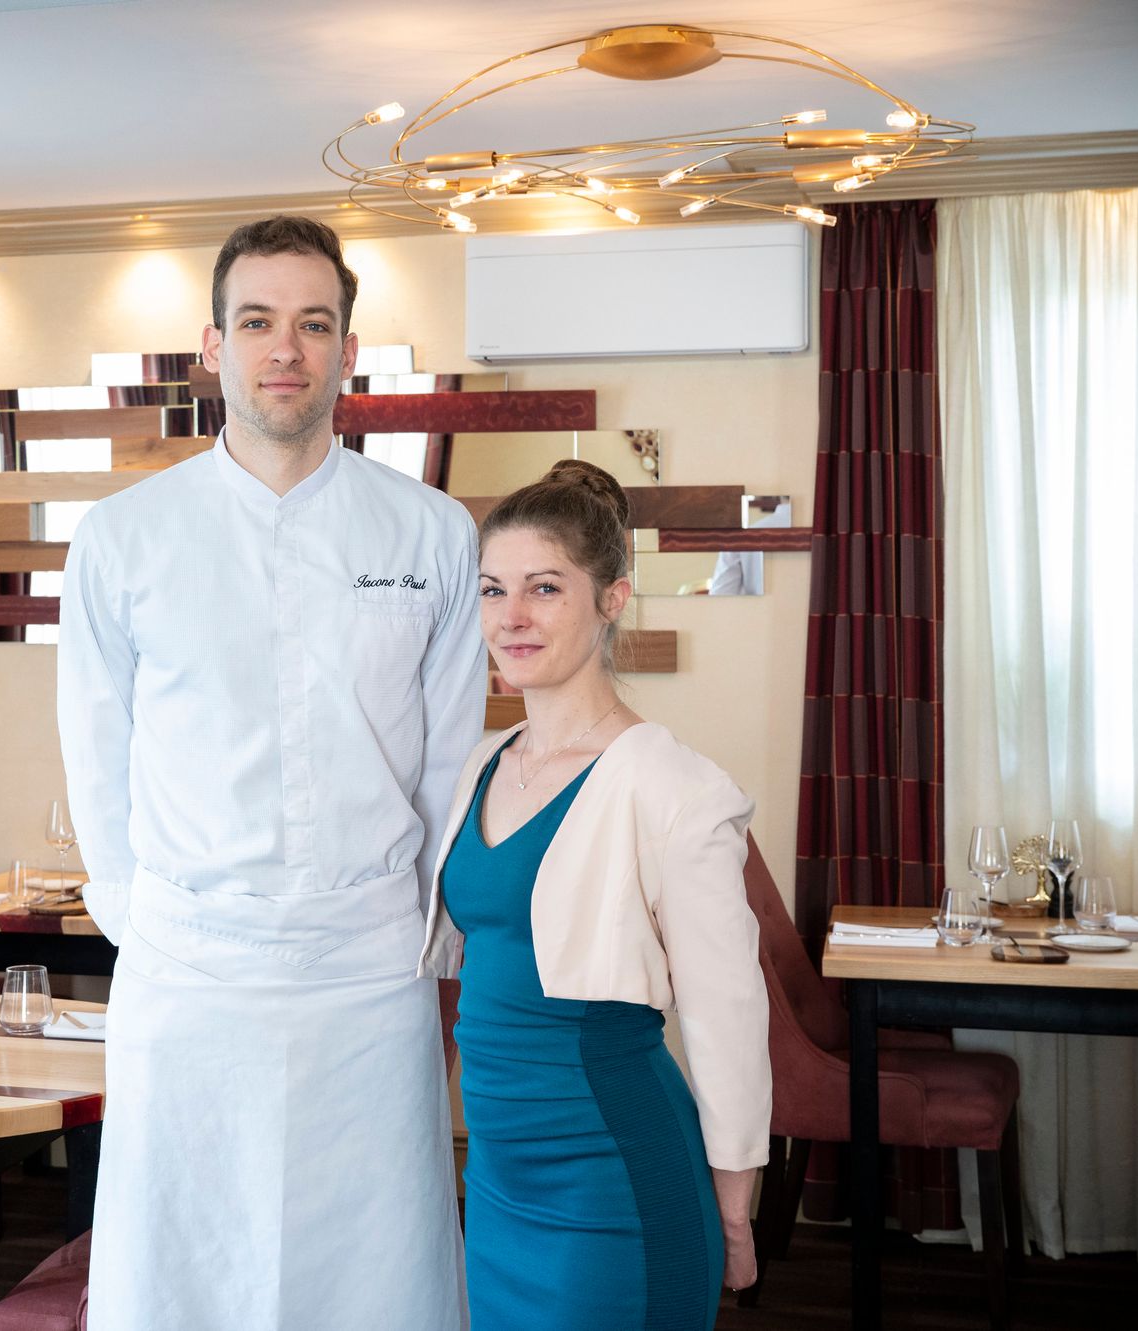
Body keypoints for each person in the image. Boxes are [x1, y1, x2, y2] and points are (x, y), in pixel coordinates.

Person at [57, 215, 484, 1330]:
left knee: (377, 1283)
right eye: (256, 321)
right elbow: (95, 755)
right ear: (212, 345)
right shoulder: (122, 538)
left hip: (368, 969)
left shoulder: (433, 533)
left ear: (348, 347)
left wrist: (425, 928)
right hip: (188, 972)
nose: (283, 348)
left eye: (312, 322)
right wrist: (137, 920)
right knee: (181, 1278)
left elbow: (449, 753)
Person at [418, 459, 769, 1330]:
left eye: (545, 587)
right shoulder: (483, 766)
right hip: (497, 1179)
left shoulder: (674, 787)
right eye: (494, 590)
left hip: (612, 1177)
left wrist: (733, 1207)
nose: (512, 617)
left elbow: (728, 1018)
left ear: (612, 598)